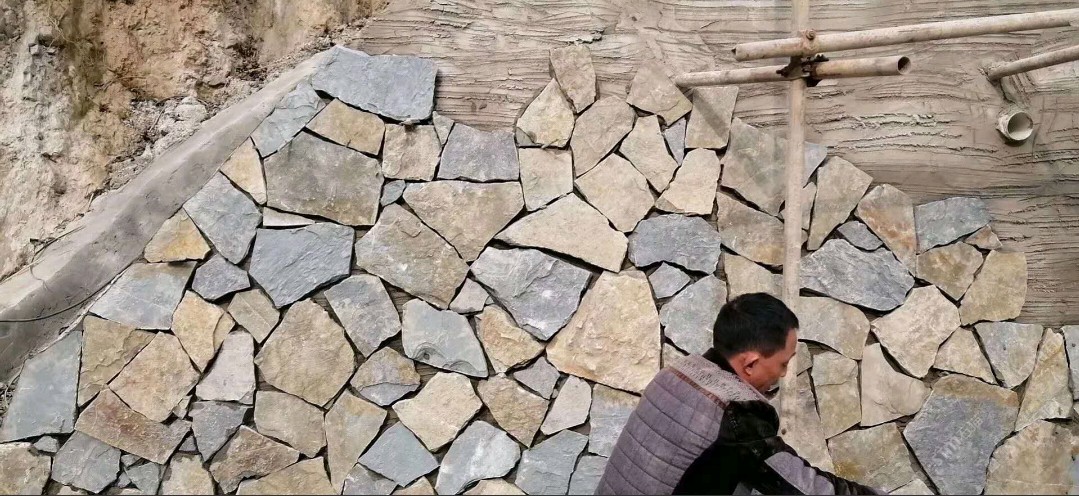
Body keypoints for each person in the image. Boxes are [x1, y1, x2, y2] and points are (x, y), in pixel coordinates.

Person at [596, 292, 879, 495]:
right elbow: (804, 487)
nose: (783, 374)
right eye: (783, 363)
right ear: (751, 363)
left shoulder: (674, 373)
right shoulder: (736, 413)